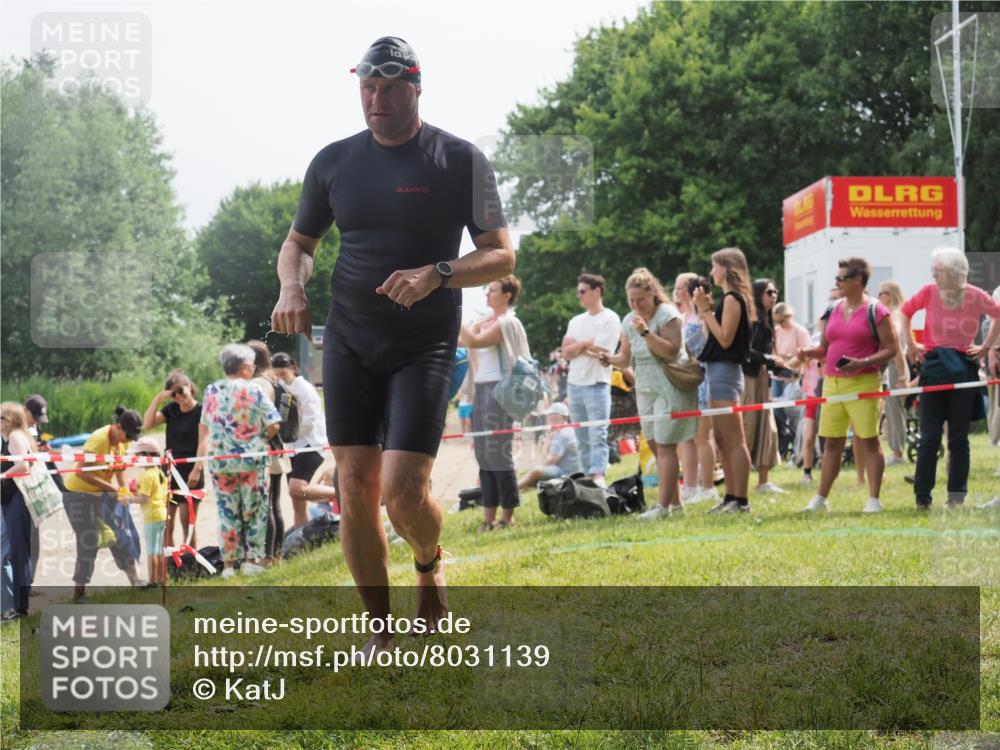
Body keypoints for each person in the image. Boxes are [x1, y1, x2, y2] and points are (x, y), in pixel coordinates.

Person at [269, 36, 513, 657]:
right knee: (354, 484)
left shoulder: (460, 160)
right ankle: (379, 631)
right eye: (366, 89)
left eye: (388, 88)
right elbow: (298, 243)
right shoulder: (333, 162)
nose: (375, 100)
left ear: (416, 87)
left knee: (403, 489)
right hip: (349, 337)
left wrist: (438, 272)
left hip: (424, 342)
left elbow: (502, 254)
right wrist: (291, 287)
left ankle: (429, 564)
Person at [900, 247, 1000, 509]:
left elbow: (998, 313)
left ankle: (956, 497)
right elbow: (905, 311)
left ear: (956, 272)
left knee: (958, 438)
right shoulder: (928, 292)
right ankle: (923, 497)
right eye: (934, 269)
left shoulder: (976, 295)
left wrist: (987, 345)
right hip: (934, 366)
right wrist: (910, 343)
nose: (934, 274)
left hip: (963, 367)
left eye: (939, 270)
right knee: (929, 436)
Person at [798, 258, 899, 513]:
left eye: (841, 278)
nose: (837, 282)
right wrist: (806, 353)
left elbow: (891, 349)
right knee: (831, 442)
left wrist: (861, 362)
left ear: (857, 281)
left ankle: (874, 499)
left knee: (869, 441)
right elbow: (824, 347)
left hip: (864, 381)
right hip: (832, 383)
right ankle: (821, 498)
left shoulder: (876, 310)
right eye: (837, 278)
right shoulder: (832, 309)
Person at [602, 268, 697, 519]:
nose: (636, 305)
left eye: (640, 300)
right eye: (631, 301)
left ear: (653, 294)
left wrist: (646, 332)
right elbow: (625, 358)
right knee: (656, 445)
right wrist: (608, 359)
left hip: (669, 383)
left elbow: (672, 351)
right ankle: (675, 504)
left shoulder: (667, 315)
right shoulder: (629, 320)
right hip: (644, 387)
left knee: (666, 446)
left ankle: (662, 508)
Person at [199, 344, 282, 577]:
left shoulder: (210, 391)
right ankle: (250, 560)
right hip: (252, 461)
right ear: (246, 368)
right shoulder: (254, 390)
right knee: (254, 511)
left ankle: (228, 566)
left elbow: (204, 425)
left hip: (221, 461)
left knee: (226, 512)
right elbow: (274, 423)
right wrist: (259, 442)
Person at [459, 276, 530, 531]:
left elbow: (474, 342)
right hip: (481, 389)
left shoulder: (506, 322)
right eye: (487, 290)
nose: (488, 294)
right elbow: (462, 341)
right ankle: (488, 518)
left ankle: (507, 516)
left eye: (493, 290)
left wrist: (453, 310)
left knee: (499, 455)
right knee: (483, 455)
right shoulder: (483, 322)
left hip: (500, 391)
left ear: (507, 295)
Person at [692, 248, 755, 513]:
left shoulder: (732, 299)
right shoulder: (728, 300)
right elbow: (713, 338)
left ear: (727, 268)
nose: (710, 272)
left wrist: (706, 312)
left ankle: (740, 499)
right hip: (716, 371)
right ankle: (730, 496)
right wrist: (705, 311)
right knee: (720, 438)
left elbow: (726, 339)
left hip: (726, 373)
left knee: (733, 438)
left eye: (714, 267)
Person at [62, 406, 145, 602]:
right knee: (88, 541)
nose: (129, 440)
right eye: (128, 435)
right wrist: (111, 488)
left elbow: (119, 468)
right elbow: (82, 472)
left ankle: (135, 580)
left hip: (100, 494)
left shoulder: (122, 443)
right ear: (118, 426)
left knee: (119, 535)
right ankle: (79, 594)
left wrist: (123, 488)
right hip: (77, 495)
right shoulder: (99, 439)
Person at [562, 273, 621, 486]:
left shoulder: (610, 318)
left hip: (597, 382)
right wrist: (586, 344)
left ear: (597, 291)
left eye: (583, 291)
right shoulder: (575, 321)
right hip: (574, 383)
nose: (579, 295)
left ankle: (598, 474)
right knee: (581, 434)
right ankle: (587, 474)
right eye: (578, 291)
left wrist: (578, 346)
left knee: (598, 432)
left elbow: (603, 352)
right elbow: (566, 352)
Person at [270, 352, 339, 526]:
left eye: (283, 374)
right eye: (276, 375)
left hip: (312, 444)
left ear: (292, 368)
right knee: (297, 502)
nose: (280, 378)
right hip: (291, 447)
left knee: (297, 490)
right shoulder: (280, 387)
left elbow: (311, 419)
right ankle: (301, 538)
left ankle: (340, 493)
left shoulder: (305, 389)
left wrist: (291, 433)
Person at [142, 371, 204, 548]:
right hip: (169, 470)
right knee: (167, 523)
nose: (178, 396)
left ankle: (190, 562)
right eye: (173, 394)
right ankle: (170, 564)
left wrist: (197, 469)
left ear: (190, 387)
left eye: (180, 390)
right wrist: (157, 400)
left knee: (187, 522)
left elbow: (204, 441)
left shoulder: (200, 410)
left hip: (190, 469)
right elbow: (147, 424)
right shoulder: (171, 410)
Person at [673, 272, 717, 504]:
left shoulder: (702, 315)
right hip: (686, 380)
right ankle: (689, 485)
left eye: (682, 287)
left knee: (702, 436)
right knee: (685, 437)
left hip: (703, 378)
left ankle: (708, 486)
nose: (678, 291)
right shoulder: (683, 315)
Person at [247, 340, 289, 565]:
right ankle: (276, 554)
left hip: (266, 449)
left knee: (268, 504)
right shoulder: (271, 380)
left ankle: (268, 556)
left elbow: (261, 419)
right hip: (275, 449)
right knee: (274, 502)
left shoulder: (259, 385)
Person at [743, 279, 783, 494]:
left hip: (761, 379)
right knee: (748, 428)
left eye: (776, 291)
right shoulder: (754, 320)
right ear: (759, 294)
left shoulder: (766, 320)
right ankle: (738, 485)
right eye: (769, 292)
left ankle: (763, 482)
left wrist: (775, 366)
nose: (774, 295)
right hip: (749, 380)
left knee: (767, 428)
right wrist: (770, 360)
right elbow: (745, 351)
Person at [119, 437, 169, 588]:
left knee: (151, 550)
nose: (136, 459)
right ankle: (162, 578)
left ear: (147, 454)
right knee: (160, 549)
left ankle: (153, 581)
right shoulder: (160, 472)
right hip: (162, 513)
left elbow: (144, 498)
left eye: (138, 455)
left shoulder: (147, 475)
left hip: (152, 516)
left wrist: (127, 499)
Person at [1, 403, 35, 619]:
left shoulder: (14, 437)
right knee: (14, 552)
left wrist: (2, 476)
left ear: (10, 420)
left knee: (18, 552)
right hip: (12, 499)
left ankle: (19, 607)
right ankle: (15, 605)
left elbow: (23, 466)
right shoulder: (11, 437)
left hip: (17, 499)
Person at [875, 281, 910, 466]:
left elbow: (895, 338)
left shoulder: (894, 314)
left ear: (893, 294)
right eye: (879, 293)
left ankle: (897, 454)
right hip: (896, 363)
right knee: (891, 410)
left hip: (895, 364)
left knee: (894, 410)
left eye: (884, 293)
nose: (879, 296)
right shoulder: (896, 313)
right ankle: (896, 450)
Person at [771, 302, 811, 461]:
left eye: (783, 320)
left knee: (794, 413)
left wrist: (789, 362)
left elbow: (805, 355)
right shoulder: (776, 332)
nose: (780, 324)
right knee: (776, 411)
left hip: (795, 377)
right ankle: (781, 443)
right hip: (778, 376)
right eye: (778, 321)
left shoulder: (800, 332)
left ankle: (795, 441)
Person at [516, 402, 583, 490]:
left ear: (557, 416)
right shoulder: (566, 430)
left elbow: (551, 460)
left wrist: (538, 467)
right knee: (537, 470)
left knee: (536, 470)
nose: (547, 418)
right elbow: (547, 457)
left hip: (567, 473)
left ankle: (514, 488)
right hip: (570, 471)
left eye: (549, 415)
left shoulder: (562, 434)